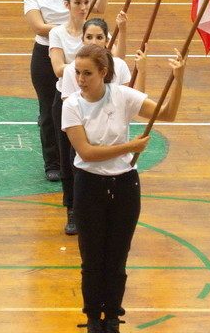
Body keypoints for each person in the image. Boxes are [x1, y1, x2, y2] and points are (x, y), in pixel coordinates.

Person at [62, 44, 185, 332]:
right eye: (78, 73)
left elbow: (167, 114)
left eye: (87, 73)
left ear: (104, 72)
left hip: (125, 185)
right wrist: (130, 146)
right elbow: (87, 152)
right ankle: (93, 316)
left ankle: (113, 315)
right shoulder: (71, 105)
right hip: (89, 185)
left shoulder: (122, 96)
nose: (80, 80)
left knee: (118, 256)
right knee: (91, 258)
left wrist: (179, 79)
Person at [54, 17, 137, 236]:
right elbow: (70, 100)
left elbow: (132, 98)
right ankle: (72, 209)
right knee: (72, 167)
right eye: (89, 37)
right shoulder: (76, 68)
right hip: (81, 125)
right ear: (82, 39)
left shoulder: (118, 65)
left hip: (111, 129)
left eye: (99, 37)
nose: (94, 41)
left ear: (107, 40)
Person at [25, 0, 69, 182]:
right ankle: (52, 162)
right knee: (48, 110)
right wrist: (69, 26)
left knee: (69, 108)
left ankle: (70, 157)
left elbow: (95, 9)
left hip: (70, 53)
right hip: (44, 55)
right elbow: (39, 27)